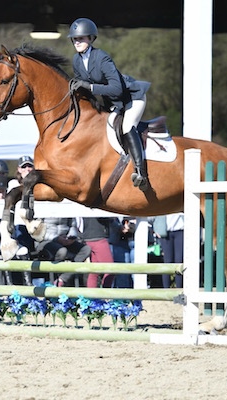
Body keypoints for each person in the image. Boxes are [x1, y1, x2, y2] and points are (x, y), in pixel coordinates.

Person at [68, 17, 151, 191]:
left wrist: (89, 86)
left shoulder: (102, 57)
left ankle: (140, 172)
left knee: (127, 126)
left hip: (131, 98)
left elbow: (116, 89)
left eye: (81, 38)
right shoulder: (77, 60)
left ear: (91, 39)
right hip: (112, 103)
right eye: (75, 39)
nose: (77, 42)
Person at [35, 218, 91, 287]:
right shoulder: (43, 208)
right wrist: (57, 238)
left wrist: (71, 237)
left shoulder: (66, 207)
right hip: (45, 241)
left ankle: (62, 278)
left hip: (65, 238)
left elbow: (72, 225)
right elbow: (36, 231)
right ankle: (55, 280)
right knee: (62, 251)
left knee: (86, 249)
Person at [7, 156, 35, 253]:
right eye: (24, 167)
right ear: (19, 169)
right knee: (23, 251)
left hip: (34, 224)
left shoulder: (38, 185)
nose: (27, 169)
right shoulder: (13, 184)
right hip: (18, 225)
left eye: (29, 166)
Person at [81, 217, 116, 288]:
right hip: (98, 237)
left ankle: (92, 296)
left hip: (88, 236)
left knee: (94, 271)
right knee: (111, 269)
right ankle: (106, 294)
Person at [154, 213, 184, 289]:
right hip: (165, 232)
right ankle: (166, 290)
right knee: (167, 261)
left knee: (179, 261)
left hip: (181, 231)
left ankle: (179, 291)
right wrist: (156, 228)